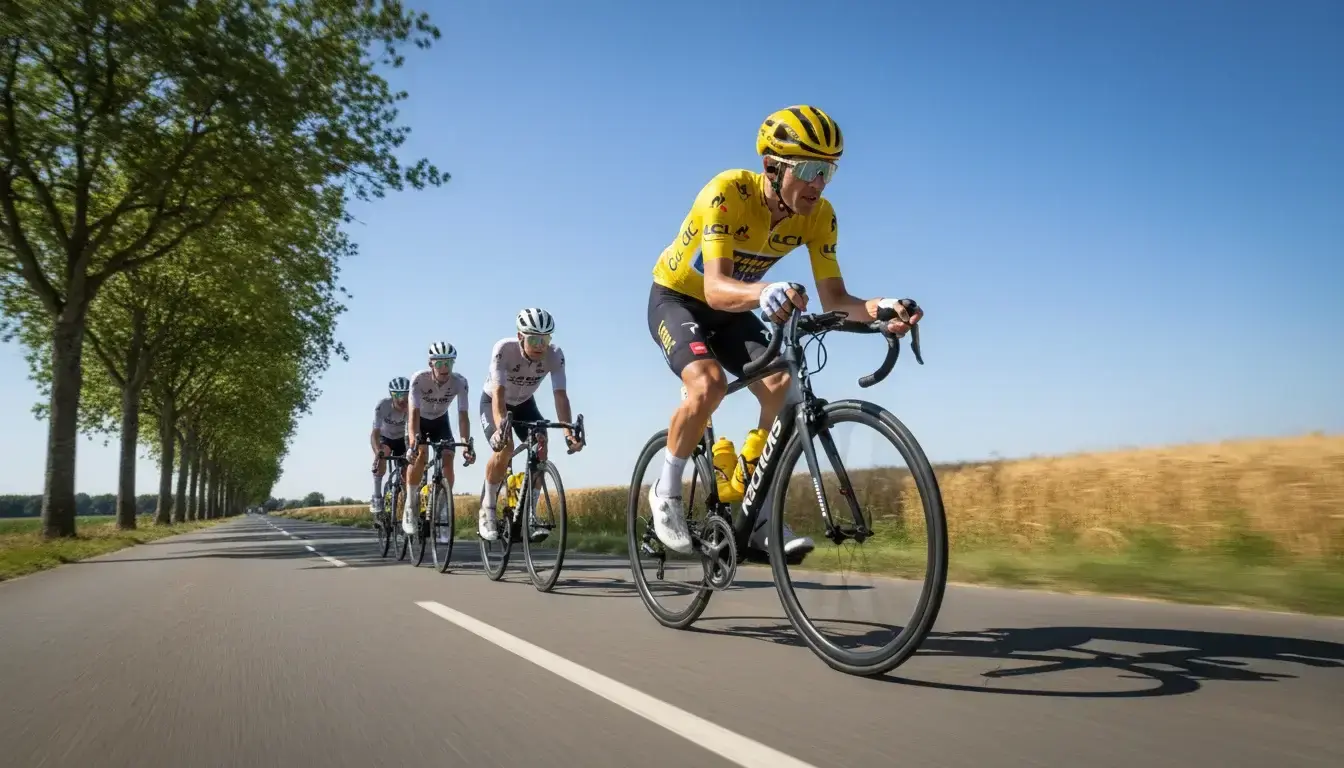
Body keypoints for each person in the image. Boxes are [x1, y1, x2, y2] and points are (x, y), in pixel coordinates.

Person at [644, 105, 923, 557]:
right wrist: (765, 292)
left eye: (828, 172)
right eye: (811, 169)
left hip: (738, 304)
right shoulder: (727, 192)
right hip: (679, 298)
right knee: (709, 384)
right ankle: (667, 489)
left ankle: (756, 516)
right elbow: (715, 288)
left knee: (782, 385)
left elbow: (837, 301)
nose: (819, 184)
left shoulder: (819, 215)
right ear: (772, 167)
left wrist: (882, 309)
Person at [477, 307, 583, 541]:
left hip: (525, 402)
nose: (540, 345)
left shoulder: (555, 355)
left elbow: (560, 396)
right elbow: (499, 395)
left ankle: (529, 514)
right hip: (494, 401)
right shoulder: (504, 350)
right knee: (505, 448)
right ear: (520, 337)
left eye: (545, 339)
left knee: (541, 446)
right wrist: (500, 430)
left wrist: (568, 432)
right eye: (534, 339)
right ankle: (488, 509)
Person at [403, 341, 476, 537]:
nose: (444, 368)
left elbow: (463, 415)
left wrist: (465, 442)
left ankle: (442, 510)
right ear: (431, 364)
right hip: (419, 421)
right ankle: (410, 505)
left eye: (449, 364)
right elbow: (413, 413)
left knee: (448, 456)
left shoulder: (460, 382)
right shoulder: (419, 380)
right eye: (440, 364)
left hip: (440, 421)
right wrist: (413, 442)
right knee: (421, 454)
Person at [370, 376, 410, 524]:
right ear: (392, 395)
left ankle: (408, 503)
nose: (403, 399)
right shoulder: (383, 406)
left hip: (402, 439)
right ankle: (377, 497)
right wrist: (377, 452)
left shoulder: (413, 405)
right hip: (385, 438)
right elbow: (375, 433)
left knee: (408, 469)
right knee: (383, 454)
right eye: (398, 395)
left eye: (406, 394)